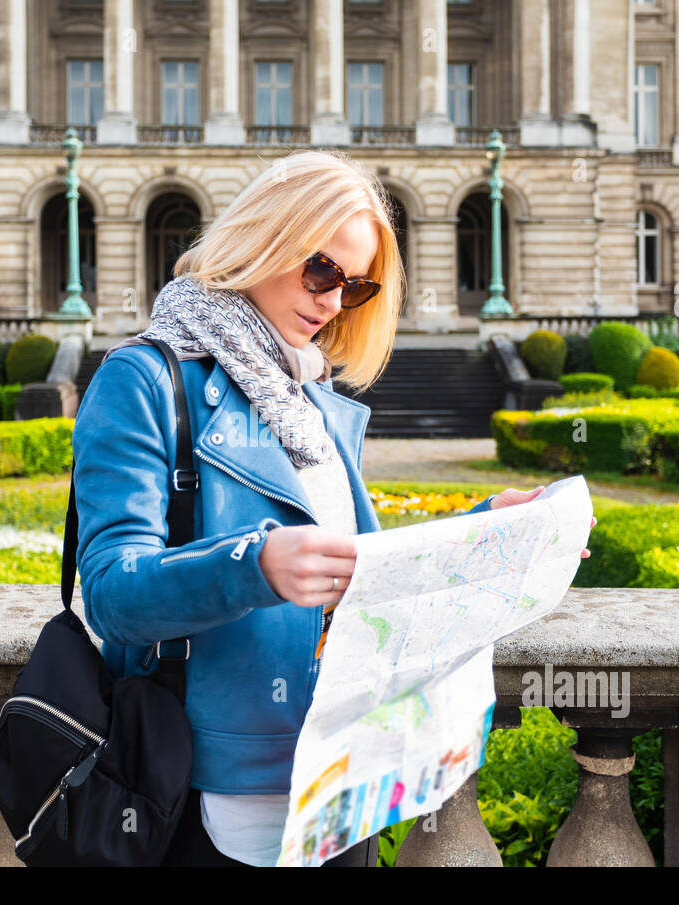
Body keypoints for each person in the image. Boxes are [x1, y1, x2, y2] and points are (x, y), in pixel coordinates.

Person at [69, 150, 594, 867]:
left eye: (357, 285)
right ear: (265, 237)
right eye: (322, 271)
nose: (333, 300)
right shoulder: (145, 378)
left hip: (343, 782)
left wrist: (488, 527)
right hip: (207, 788)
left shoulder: (312, 400)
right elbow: (110, 592)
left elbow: (363, 572)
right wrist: (251, 565)